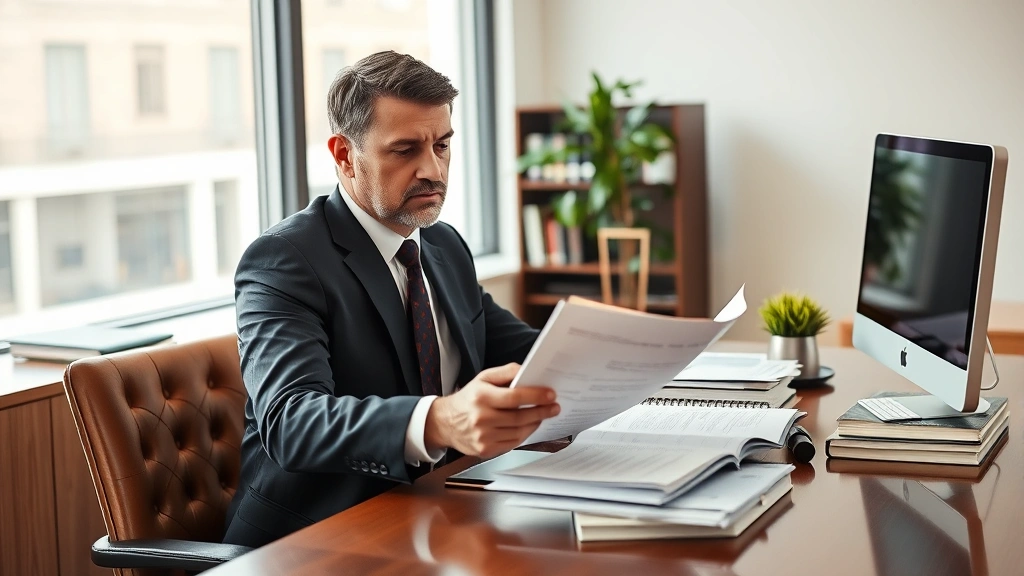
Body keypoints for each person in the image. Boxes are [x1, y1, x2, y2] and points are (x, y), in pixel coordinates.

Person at [223, 51, 560, 547]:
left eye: (442, 145)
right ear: (343, 155)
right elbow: (291, 420)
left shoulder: (443, 245)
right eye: (405, 150)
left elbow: (530, 352)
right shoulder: (284, 260)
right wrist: (440, 420)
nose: (433, 169)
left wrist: (642, 358)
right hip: (315, 539)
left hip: (439, 515)